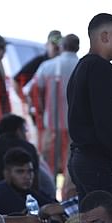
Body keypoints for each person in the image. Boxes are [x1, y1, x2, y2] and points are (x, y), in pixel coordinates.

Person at [66, 13, 112, 223]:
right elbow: (105, 120)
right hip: (100, 163)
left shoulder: (83, 67)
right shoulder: (100, 69)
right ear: (104, 36)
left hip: (87, 159)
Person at [25, 34, 80, 175]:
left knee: (49, 167)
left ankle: (49, 194)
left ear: (62, 47)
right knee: (73, 167)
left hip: (52, 124)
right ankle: (70, 195)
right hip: (76, 127)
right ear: (78, 48)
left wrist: (40, 109)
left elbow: (30, 90)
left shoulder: (48, 66)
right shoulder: (83, 67)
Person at [0, 147, 56, 215]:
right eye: (20, 171)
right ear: (7, 174)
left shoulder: (31, 193)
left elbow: (51, 203)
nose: (27, 176)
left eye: (30, 171)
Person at [13, 30, 62, 102]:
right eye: (54, 44)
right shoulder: (40, 61)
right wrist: (27, 102)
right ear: (47, 44)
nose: (56, 48)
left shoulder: (64, 63)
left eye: (59, 45)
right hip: (44, 108)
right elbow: (16, 81)